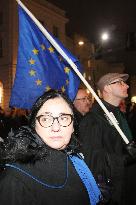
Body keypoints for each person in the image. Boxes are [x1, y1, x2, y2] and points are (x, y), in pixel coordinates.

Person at [0, 90, 101, 205]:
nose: (56, 127)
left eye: (64, 118)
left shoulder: (77, 162)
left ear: (73, 126)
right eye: (46, 119)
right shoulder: (15, 179)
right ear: (34, 126)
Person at [79, 73, 135, 205]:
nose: (126, 85)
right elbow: (93, 160)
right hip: (116, 193)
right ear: (107, 88)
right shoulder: (93, 120)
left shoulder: (117, 113)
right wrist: (125, 158)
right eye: (120, 82)